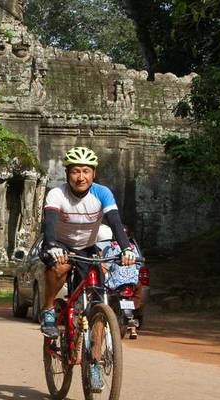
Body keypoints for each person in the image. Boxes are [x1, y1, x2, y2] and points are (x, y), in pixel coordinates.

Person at [40, 146, 136, 391]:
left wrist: (126, 249)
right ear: (67, 173)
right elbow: (49, 223)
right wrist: (52, 246)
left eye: (86, 171)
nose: (80, 176)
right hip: (59, 244)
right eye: (75, 171)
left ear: (93, 174)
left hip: (87, 248)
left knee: (97, 303)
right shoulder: (56, 194)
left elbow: (114, 221)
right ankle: (49, 309)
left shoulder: (102, 193)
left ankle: (93, 362)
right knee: (59, 267)